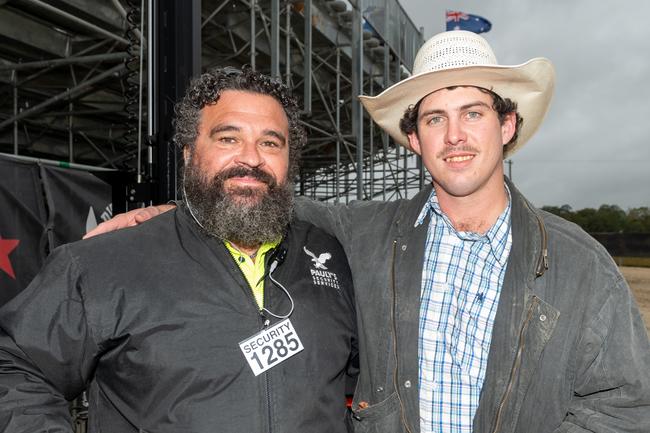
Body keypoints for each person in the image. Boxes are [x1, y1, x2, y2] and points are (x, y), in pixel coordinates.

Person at [85, 31, 650, 432]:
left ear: (506, 125)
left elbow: (625, 406)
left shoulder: (578, 263)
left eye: (474, 113)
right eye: (434, 119)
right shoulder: (362, 235)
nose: (455, 135)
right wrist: (165, 214)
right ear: (414, 140)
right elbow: (264, 199)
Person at [0, 67, 358, 433]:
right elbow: (15, 368)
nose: (251, 159)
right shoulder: (106, 263)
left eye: (270, 143)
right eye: (228, 139)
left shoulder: (329, 255)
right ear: (188, 153)